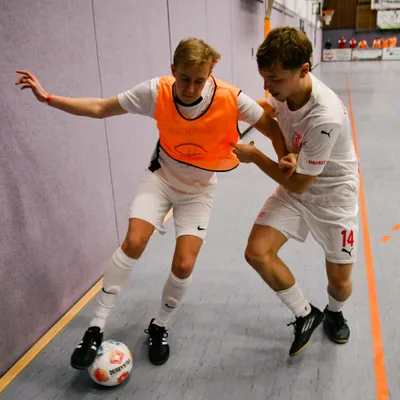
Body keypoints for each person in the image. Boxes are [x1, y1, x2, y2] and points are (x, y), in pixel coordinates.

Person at [16, 37, 293, 369]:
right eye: (184, 78)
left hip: (198, 192)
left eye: (199, 80)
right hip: (160, 179)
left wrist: (285, 156)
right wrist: (48, 98)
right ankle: (95, 327)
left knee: (184, 264)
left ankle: (159, 325)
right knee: (134, 241)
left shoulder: (230, 98)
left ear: (210, 74)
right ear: (173, 69)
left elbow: (271, 128)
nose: (191, 88)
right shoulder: (156, 91)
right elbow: (102, 108)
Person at [232, 27, 359, 357]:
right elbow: (273, 115)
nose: (268, 87)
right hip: (298, 186)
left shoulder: (325, 117)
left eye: (274, 79)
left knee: (340, 282)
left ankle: (334, 312)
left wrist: (256, 156)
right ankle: (306, 313)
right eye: (264, 78)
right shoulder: (283, 92)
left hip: (333, 196)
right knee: (257, 252)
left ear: (303, 69)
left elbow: (301, 183)